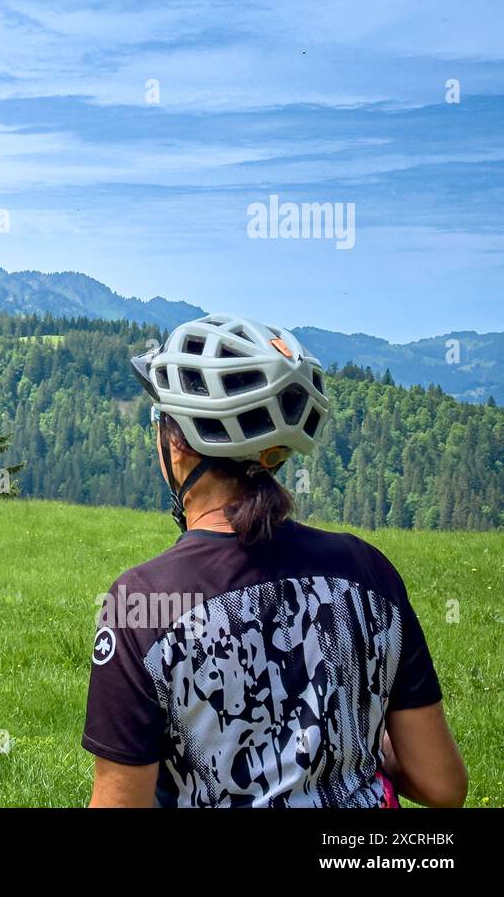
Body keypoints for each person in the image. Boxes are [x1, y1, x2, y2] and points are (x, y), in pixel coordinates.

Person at [82, 313, 468, 808]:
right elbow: (443, 785)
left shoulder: (141, 605)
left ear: (177, 445)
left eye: (158, 420)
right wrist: (358, 745)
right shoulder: (370, 573)